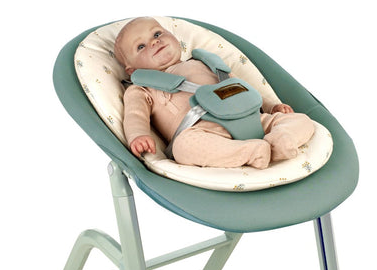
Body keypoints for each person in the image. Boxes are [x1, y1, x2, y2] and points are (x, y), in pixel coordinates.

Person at [115, 17, 315, 169]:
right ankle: (251, 151)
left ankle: (280, 139)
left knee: (302, 121)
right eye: (141, 46)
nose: (154, 42)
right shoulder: (141, 89)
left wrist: (271, 106)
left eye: (157, 34)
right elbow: (135, 114)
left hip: (250, 118)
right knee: (183, 148)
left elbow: (241, 88)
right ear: (132, 71)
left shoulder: (204, 63)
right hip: (203, 131)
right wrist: (138, 135)